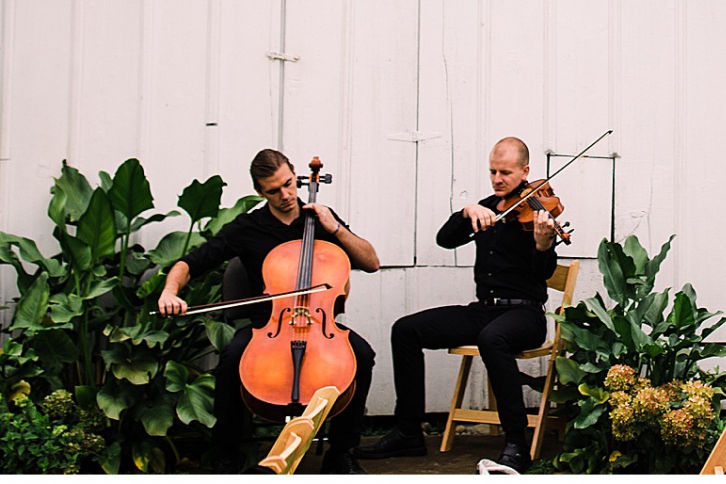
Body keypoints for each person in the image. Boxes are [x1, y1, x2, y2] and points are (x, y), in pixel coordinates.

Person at [158, 148, 380, 473]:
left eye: (289, 184)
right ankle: (227, 453)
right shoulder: (247, 228)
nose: (286, 195)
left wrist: (335, 228)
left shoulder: (319, 217)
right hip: (268, 326)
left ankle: (342, 453)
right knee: (232, 358)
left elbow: (371, 262)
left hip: (320, 324)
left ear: (295, 175)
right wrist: (169, 291)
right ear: (260, 192)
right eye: (274, 191)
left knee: (362, 355)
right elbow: (191, 263)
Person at [360, 137, 561, 472]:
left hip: (524, 314)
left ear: (525, 171)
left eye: (506, 173)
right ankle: (408, 431)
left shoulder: (538, 213)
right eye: (493, 171)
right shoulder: (485, 208)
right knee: (406, 330)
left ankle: (516, 443)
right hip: (484, 310)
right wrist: (465, 212)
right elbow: (445, 239)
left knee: (492, 339)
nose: (497, 179)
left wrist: (543, 244)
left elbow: (544, 273)